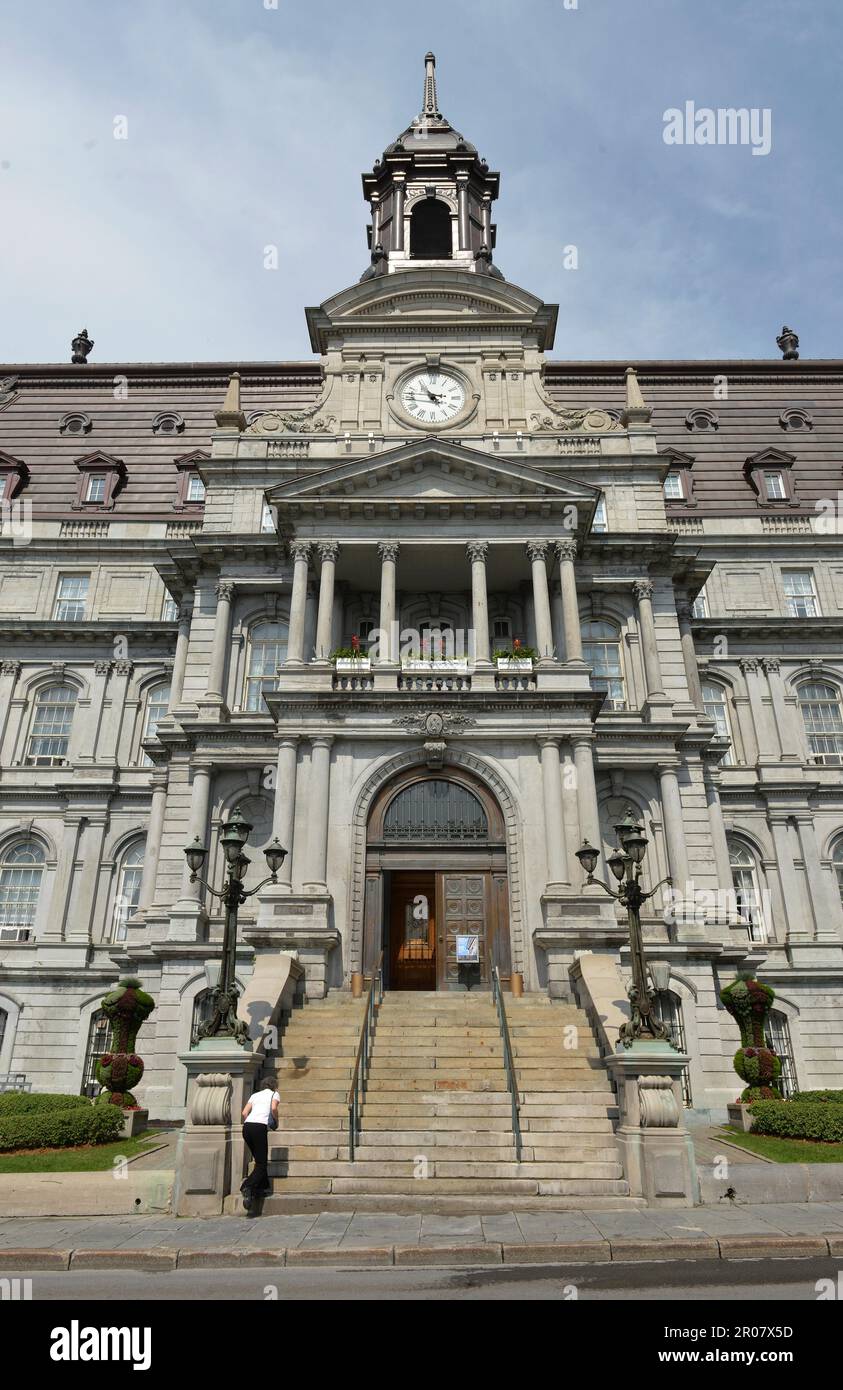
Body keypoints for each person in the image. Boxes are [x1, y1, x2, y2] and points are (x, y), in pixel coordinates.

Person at [241, 1076, 279, 1210]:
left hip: (247, 1127)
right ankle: (247, 1187)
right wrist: (276, 1120)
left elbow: (244, 1112)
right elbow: (274, 1108)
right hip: (259, 1128)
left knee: (258, 1159)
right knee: (262, 1163)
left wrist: (251, 1121)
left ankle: (261, 1188)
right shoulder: (275, 1094)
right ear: (274, 1085)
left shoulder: (255, 1095)